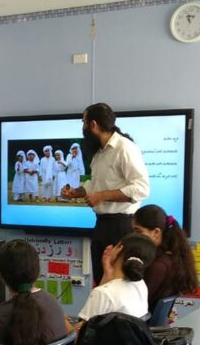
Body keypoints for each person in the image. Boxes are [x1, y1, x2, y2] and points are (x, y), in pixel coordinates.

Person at [61, 104, 151, 282]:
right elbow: (95, 185)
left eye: (83, 122)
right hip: (102, 226)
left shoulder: (125, 148)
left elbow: (141, 188)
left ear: (93, 124)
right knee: (101, 282)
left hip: (121, 227)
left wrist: (102, 196)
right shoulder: (99, 153)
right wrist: (75, 192)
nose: (83, 128)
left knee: (118, 283)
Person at [76, 233, 157, 322]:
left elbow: (81, 331)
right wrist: (107, 273)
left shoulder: (103, 293)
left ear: (119, 249)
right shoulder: (140, 284)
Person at [133, 204, 199, 312]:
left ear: (156, 233)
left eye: (138, 231)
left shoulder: (159, 266)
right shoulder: (172, 258)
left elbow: (136, 303)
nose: (134, 236)